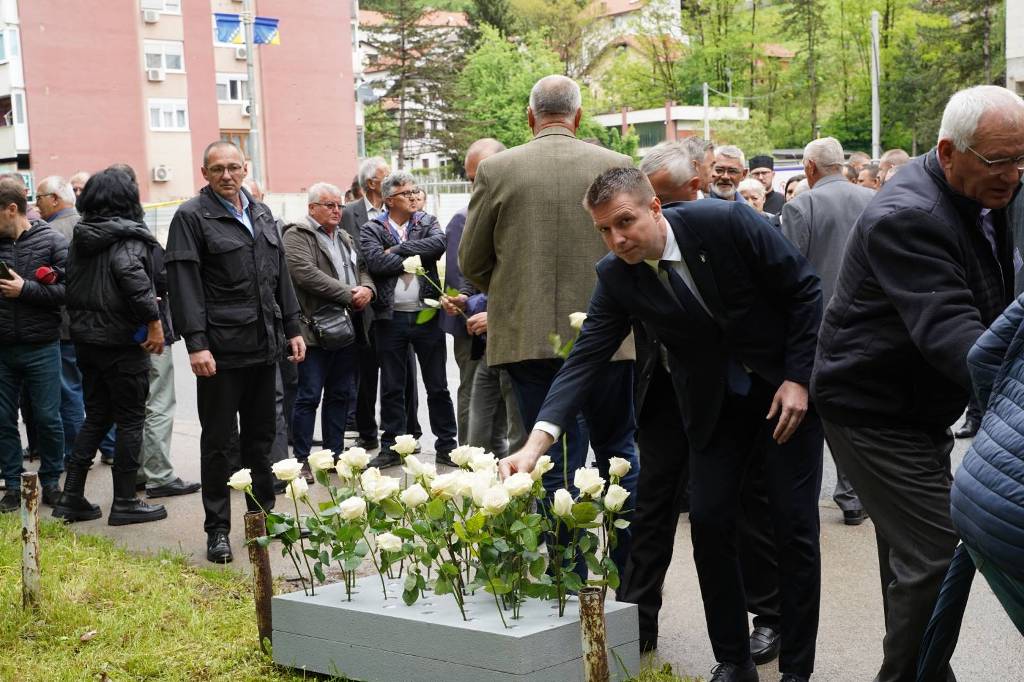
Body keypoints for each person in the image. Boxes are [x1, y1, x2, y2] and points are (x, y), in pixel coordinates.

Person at [500, 167, 824, 682]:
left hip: (786, 397)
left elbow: (805, 290)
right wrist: (535, 445)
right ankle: (735, 662)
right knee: (710, 525)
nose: (617, 239)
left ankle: (797, 672)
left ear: (655, 208)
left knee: (794, 529)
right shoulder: (617, 275)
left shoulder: (727, 222)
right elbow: (584, 360)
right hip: (712, 409)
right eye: (604, 230)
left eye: (624, 222)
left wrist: (798, 378)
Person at [811, 85, 1023, 682]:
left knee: (908, 553)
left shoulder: (984, 189)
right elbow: (956, 337)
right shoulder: (909, 216)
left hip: (918, 404)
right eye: (999, 161)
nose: (1013, 175)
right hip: (869, 410)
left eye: (1022, 159)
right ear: (949, 151)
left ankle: (924, 669)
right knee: (936, 549)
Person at [459, 75, 639, 574]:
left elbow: (471, 261)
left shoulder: (496, 168)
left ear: (529, 116)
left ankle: (568, 581)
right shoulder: (616, 165)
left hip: (527, 334)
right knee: (619, 454)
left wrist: (515, 288)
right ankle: (632, 579)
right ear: (578, 116)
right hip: (609, 336)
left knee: (551, 460)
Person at [165, 141, 305, 563]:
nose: (227, 175)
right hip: (221, 353)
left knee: (262, 440)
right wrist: (197, 343)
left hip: (265, 347)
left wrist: (293, 327)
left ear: (245, 168)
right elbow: (184, 285)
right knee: (219, 444)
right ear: (204, 173)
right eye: (217, 169)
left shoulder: (260, 212)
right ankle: (218, 530)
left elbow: (280, 277)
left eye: (233, 167)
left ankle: (262, 518)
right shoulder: (191, 216)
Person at [53, 168, 168, 526]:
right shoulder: (129, 237)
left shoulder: (82, 237)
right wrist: (154, 322)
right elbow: (132, 277)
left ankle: (71, 496)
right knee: (132, 419)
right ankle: (125, 501)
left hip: (87, 341)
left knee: (98, 416)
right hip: (120, 343)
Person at [781, 137, 876, 527]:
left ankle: (809, 502)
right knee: (856, 413)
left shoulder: (800, 206)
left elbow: (789, 276)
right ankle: (854, 496)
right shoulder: (874, 200)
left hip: (817, 328)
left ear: (809, 167)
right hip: (869, 325)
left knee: (812, 419)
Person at [360, 171, 457, 468]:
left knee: (437, 385)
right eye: (407, 193)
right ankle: (392, 446)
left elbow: (438, 244)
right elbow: (375, 262)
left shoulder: (426, 221)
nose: (414, 197)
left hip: (427, 314)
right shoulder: (372, 227)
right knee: (392, 386)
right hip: (389, 318)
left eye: (416, 191)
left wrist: (398, 249)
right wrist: (413, 257)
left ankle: (447, 446)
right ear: (389, 200)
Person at [283, 182, 374, 478]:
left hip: (344, 328)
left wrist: (367, 290)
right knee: (309, 396)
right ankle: (301, 460)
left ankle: (334, 456)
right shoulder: (297, 235)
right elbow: (305, 274)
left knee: (340, 394)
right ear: (312, 208)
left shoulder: (344, 236)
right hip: (313, 330)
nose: (337, 210)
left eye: (339, 205)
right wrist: (349, 294)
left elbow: (362, 268)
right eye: (329, 205)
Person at [438, 138, 518, 454]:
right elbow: (465, 278)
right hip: (474, 330)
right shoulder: (464, 217)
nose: (475, 187)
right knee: (476, 413)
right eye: (471, 179)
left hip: (507, 328)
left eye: (480, 177)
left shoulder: (518, 215)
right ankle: (471, 463)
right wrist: (466, 302)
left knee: (506, 417)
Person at [341, 157, 420, 452]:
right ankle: (367, 431)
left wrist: (391, 255)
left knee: (403, 372)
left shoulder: (408, 212)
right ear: (373, 183)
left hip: (397, 302)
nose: (393, 177)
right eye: (386, 175)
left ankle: (408, 430)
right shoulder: (349, 213)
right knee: (366, 371)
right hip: (363, 305)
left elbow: (420, 251)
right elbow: (359, 258)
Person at [0, 178, 67, 512]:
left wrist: (25, 289)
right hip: (2, 349)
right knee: (2, 420)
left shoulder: (52, 240)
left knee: (47, 418)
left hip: (42, 346)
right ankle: (13, 486)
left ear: (11, 209)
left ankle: (52, 482)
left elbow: (68, 291)